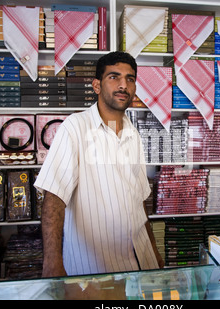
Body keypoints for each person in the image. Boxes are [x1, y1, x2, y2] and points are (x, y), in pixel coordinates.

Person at [34, 51, 164, 278]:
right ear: (96, 86)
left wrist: (153, 253)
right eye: (114, 77)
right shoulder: (75, 127)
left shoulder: (133, 134)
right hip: (94, 268)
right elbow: (54, 197)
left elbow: (140, 201)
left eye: (130, 79)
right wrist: (52, 263)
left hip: (140, 263)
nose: (123, 85)